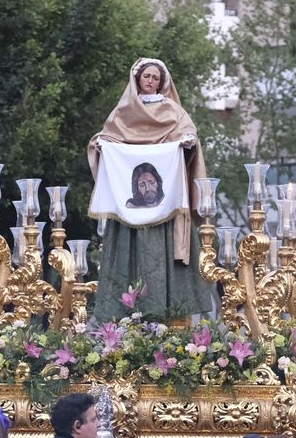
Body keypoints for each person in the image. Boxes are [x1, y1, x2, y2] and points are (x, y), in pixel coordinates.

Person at [87, 57, 210, 319]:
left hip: (166, 209)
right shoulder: (123, 112)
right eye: (147, 76)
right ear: (137, 80)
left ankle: (172, 313)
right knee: (128, 253)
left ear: (162, 82)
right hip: (128, 213)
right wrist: (102, 146)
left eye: (156, 77)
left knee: (162, 252)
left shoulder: (173, 111)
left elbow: (189, 134)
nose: (151, 81)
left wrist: (187, 142)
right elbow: (108, 136)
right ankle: (124, 316)